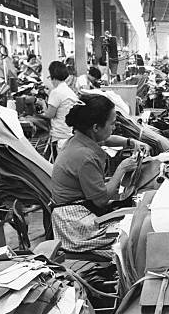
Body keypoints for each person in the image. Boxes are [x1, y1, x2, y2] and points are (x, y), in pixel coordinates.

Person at [51, 94, 139, 257]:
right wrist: (121, 169)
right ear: (96, 127)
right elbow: (101, 200)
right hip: (76, 226)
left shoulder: (78, 139)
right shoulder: (85, 157)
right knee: (134, 233)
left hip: (76, 212)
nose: (114, 127)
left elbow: (106, 140)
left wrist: (131, 142)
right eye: (112, 124)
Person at [41, 61, 80, 156]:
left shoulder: (56, 92)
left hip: (61, 135)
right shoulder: (68, 90)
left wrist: (42, 103)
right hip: (69, 133)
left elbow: (49, 114)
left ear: (52, 76)